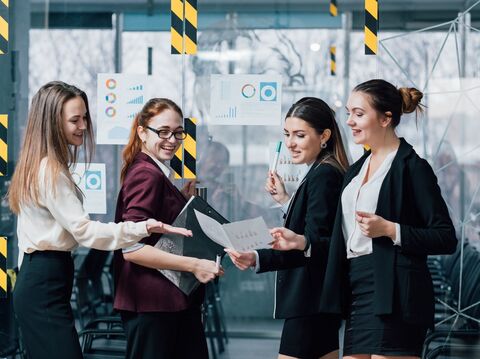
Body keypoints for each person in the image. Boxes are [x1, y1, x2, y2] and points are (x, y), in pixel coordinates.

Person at [8, 81, 191, 359]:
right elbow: (85, 232)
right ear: (51, 123)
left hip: (44, 278)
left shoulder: (43, 164)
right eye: (74, 120)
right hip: (44, 280)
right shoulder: (50, 170)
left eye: (85, 118)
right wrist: (141, 228)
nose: (83, 125)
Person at [316, 79, 457, 359]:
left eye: (358, 114)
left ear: (385, 118)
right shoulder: (355, 171)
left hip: (395, 292)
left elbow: (445, 237)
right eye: (348, 113)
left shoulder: (413, 167)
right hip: (358, 288)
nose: (350, 122)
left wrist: (391, 229)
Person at [226, 97, 349, 359]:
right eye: (287, 134)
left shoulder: (324, 174)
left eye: (300, 135)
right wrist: (284, 200)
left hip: (310, 301)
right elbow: (316, 230)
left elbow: (317, 240)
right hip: (318, 301)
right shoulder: (323, 170)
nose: (290, 143)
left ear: (324, 135)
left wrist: (258, 256)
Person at [113, 98, 223, 359]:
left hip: (164, 303)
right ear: (142, 131)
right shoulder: (146, 174)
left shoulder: (155, 171)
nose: (171, 140)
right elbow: (133, 248)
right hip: (153, 304)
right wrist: (195, 265)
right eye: (162, 132)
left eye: (178, 133)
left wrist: (180, 200)